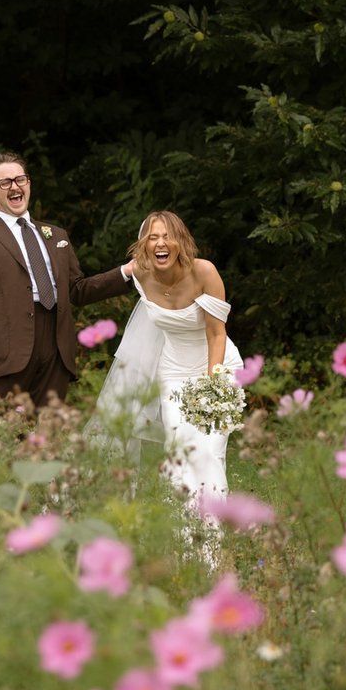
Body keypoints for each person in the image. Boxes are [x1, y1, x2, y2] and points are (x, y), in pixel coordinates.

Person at [0, 151, 133, 402]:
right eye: (5, 182)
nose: (14, 186)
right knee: (3, 433)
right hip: (6, 351)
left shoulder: (56, 235)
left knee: (48, 434)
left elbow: (76, 290)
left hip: (56, 348)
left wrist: (126, 272)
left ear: (29, 184)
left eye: (20, 179)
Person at [92, 210, 244, 502]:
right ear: (144, 245)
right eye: (153, 237)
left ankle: (211, 533)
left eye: (168, 236)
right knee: (179, 450)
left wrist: (213, 386)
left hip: (216, 365)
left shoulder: (204, 272)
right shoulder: (140, 274)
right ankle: (186, 534)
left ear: (181, 242)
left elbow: (216, 334)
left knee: (209, 450)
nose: (161, 243)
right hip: (172, 373)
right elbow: (90, 286)